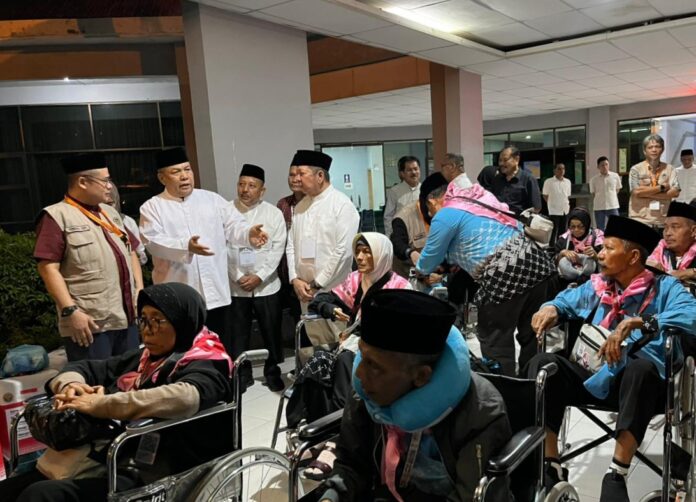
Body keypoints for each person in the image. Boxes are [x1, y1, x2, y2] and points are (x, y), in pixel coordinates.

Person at [3, 283, 234, 501]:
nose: (147, 331)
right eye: (143, 319)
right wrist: (72, 387)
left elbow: (185, 397)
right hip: (106, 457)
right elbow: (87, 368)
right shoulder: (145, 357)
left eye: (158, 320)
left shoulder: (209, 363)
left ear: (183, 321)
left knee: (41, 495)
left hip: (152, 469)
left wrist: (101, 404)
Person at [528, 216, 696, 502]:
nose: (600, 255)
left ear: (633, 257)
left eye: (608, 248)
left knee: (641, 368)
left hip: (642, 388)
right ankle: (551, 465)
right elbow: (564, 301)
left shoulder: (665, 288)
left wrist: (642, 322)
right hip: (596, 375)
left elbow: (692, 315)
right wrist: (550, 308)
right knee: (544, 365)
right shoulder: (597, 286)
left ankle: (617, 473)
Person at [316, 289, 512, 501]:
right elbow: (351, 465)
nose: (359, 373)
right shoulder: (367, 390)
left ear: (421, 376)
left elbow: (469, 497)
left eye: (374, 365)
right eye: (362, 356)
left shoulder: (480, 411)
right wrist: (331, 496)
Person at [286, 232, 411, 480]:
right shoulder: (356, 280)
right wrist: (331, 309)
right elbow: (320, 300)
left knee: (345, 361)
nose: (360, 257)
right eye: (359, 251)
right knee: (317, 363)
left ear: (381, 255)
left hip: (384, 352)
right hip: (353, 344)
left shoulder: (400, 287)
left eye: (367, 252)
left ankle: (336, 442)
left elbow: (404, 328)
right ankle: (321, 434)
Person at [416, 181, 556, 376]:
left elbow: (427, 261)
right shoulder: (481, 202)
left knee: (495, 340)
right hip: (538, 265)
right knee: (532, 333)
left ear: (432, 201)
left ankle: (505, 387)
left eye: (429, 211)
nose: (431, 216)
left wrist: (418, 266)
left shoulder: (445, 213)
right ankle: (532, 384)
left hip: (504, 273)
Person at [139, 147, 268, 350]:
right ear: (162, 178)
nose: (184, 176)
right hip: (178, 298)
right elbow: (153, 242)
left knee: (220, 348)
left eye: (187, 169)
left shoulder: (212, 199)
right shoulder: (152, 207)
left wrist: (248, 234)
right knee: (185, 352)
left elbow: (234, 225)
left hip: (216, 294)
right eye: (176, 172)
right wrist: (186, 246)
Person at [34, 152, 142, 361]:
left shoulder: (110, 213)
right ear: (82, 182)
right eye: (105, 181)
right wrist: (70, 311)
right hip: (90, 324)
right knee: (94, 378)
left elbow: (131, 251)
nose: (109, 186)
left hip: (126, 317)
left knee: (129, 376)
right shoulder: (56, 216)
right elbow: (48, 269)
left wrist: (139, 289)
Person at [228, 164, 287, 392]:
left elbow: (278, 248)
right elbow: (222, 248)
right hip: (236, 286)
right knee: (238, 334)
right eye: (241, 184)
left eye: (252, 185)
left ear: (262, 190)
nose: (245, 189)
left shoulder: (273, 213)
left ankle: (272, 372)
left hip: (267, 286)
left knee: (271, 331)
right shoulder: (226, 211)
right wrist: (237, 276)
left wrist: (260, 276)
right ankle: (242, 375)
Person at [286, 149, 360, 305]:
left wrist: (317, 284)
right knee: (308, 322)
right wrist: (295, 279)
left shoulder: (342, 205)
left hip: (334, 291)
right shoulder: (299, 207)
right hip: (303, 291)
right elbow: (291, 245)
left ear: (320, 176)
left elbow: (343, 251)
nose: (297, 179)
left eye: (302, 174)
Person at [390, 172, 448, 279]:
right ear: (431, 199)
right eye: (444, 200)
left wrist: (443, 272)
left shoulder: (447, 215)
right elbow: (397, 244)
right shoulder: (403, 217)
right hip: (408, 279)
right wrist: (411, 253)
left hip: (437, 277)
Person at [628, 134, 680, 230]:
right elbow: (636, 192)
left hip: (662, 221)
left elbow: (676, 192)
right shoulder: (635, 169)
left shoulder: (670, 169)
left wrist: (646, 193)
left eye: (657, 146)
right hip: (639, 220)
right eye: (650, 147)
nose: (654, 150)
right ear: (644, 151)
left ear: (662, 149)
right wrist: (661, 188)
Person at [647, 201, 696, 284]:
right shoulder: (657, 253)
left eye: (675, 227)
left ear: (693, 231)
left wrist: (690, 272)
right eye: (665, 227)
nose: (668, 233)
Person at [554, 207, 604, 285]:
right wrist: (562, 253)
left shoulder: (597, 239)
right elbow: (553, 261)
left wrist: (595, 255)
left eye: (580, 226)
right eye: (572, 226)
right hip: (567, 283)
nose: (576, 230)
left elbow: (607, 263)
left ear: (587, 225)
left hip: (591, 283)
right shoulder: (564, 239)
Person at [491, 145, 542, 215]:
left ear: (516, 160)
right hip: (499, 220)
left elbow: (536, 207)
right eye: (500, 160)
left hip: (519, 221)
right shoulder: (497, 179)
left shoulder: (528, 179)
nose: (501, 163)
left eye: (505, 160)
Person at [109, 184, 147, 265]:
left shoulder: (127, 221)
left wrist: (137, 257)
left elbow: (141, 254)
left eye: (110, 204)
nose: (106, 208)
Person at [383, 156, 421, 237]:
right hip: (401, 235)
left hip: (422, 235)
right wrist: (391, 236)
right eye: (409, 170)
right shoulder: (394, 191)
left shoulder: (425, 190)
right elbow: (388, 216)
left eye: (416, 169)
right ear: (402, 173)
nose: (414, 172)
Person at [589, 156, 622, 231]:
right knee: (600, 229)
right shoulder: (593, 180)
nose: (605, 167)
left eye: (606, 164)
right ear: (598, 167)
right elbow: (593, 193)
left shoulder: (615, 176)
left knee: (616, 226)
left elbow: (617, 189)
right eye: (602, 165)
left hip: (612, 205)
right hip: (599, 207)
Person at [542, 163, 571, 245]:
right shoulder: (548, 181)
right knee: (553, 230)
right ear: (554, 170)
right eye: (559, 169)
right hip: (554, 210)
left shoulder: (567, 182)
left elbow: (567, 195)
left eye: (563, 169)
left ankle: (561, 246)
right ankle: (551, 247)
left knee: (563, 230)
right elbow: (545, 195)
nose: (561, 170)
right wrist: (552, 203)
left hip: (565, 210)